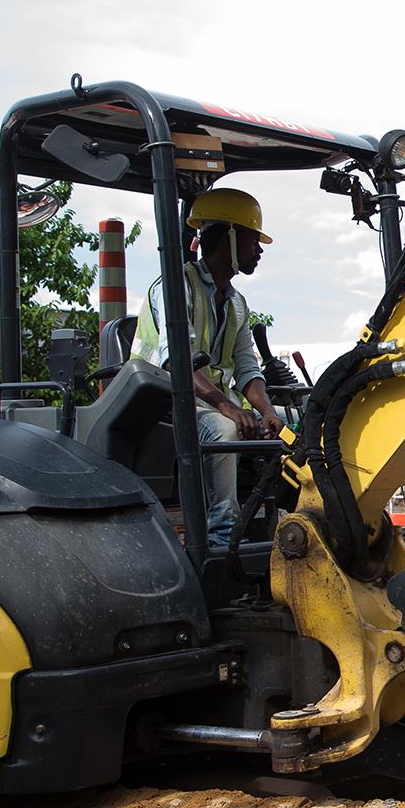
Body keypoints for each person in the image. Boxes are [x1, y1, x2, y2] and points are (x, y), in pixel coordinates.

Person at [133, 188, 283, 547]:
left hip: (206, 403)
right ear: (229, 238)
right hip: (161, 407)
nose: (259, 250)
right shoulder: (175, 287)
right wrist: (226, 406)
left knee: (291, 420)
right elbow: (177, 360)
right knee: (221, 428)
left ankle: (280, 527)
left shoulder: (236, 303)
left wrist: (266, 410)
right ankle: (221, 536)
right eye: (252, 239)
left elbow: (248, 367)